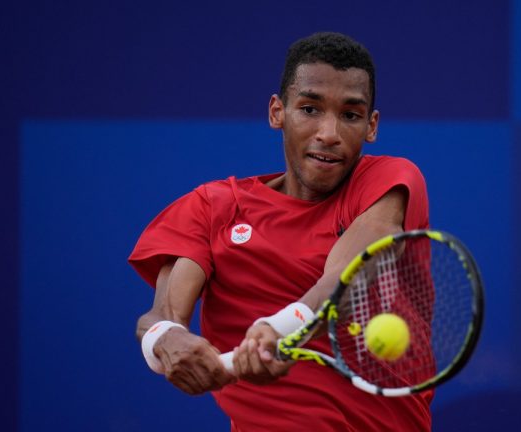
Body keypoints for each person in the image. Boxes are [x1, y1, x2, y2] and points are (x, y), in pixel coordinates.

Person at [129, 32, 432, 431]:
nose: (329, 132)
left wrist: (283, 327)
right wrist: (168, 340)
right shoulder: (214, 207)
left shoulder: (389, 179)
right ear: (277, 112)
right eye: (309, 109)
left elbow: (353, 269)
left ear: (372, 126)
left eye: (350, 115)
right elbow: (162, 314)